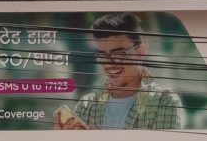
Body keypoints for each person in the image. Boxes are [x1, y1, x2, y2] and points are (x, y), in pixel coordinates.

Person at [57, 12, 186, 131]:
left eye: (118, 54)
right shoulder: (87, 105)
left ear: (140, 52)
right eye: (102, 55)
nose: (109, 64)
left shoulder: (165, 102)